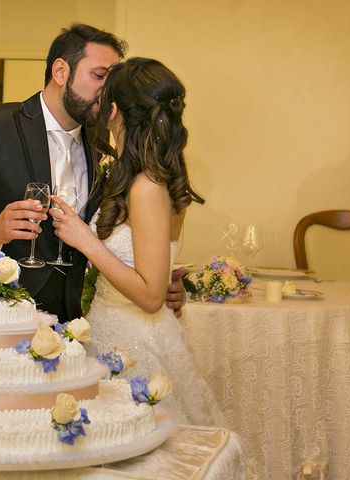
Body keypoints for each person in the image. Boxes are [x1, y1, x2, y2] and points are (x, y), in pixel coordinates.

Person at [0, 24, 186, 323]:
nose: (107, 90)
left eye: (112, 80)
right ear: (60, 72)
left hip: (71, 320)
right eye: (98, 76)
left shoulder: (104, 144)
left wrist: (159, 284)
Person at [50, 57, 224, 425]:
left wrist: (86, 241)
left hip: (133, 341)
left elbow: (149, 296)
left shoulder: (146, 186)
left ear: (113, 110)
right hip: (114, 330)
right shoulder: (146, 174)